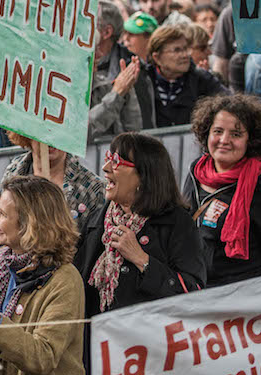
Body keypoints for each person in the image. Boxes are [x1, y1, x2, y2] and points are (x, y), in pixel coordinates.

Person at [0, 175, 86, 375]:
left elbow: (43, 356)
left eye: (3, 214)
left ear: (30, 224)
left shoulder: (65, 280)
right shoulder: (2, 259)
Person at [76, 132, 204, 316]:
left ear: (144, 176)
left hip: (149, 341)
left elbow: (194, 295)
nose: (105, 168)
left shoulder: (177, 223)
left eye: (116, 162)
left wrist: (142, 260)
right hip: (99, 340)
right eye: (108, 158)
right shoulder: (97, 221)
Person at [183, 95, 261, 285]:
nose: (224, 140)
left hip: (245, 297)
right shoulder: (196, 171)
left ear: (251, 140)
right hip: (198, 293)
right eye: (217, 131)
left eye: (236, 134)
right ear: (207, 133)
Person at [1, 131, 106, 222]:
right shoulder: (13, 171)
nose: (50, 141)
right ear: (27, 135)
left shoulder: (93, 188)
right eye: (42, 133)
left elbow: (94, 242)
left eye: (58, 132)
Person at [139, 25, 228, 128]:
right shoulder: (143, 81)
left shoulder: (201, 79)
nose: (184, 55)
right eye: (177, 50)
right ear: (157, 57)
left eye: (185, 49)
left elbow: (229, 102)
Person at [89, 2, 144, 138]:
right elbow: (80, 132)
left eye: (98, 49)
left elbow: (134, 131)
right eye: (94, 50)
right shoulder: (64, 87)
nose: (99, 55)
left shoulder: (106, 83)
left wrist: (126, 89)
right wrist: (116, 94)